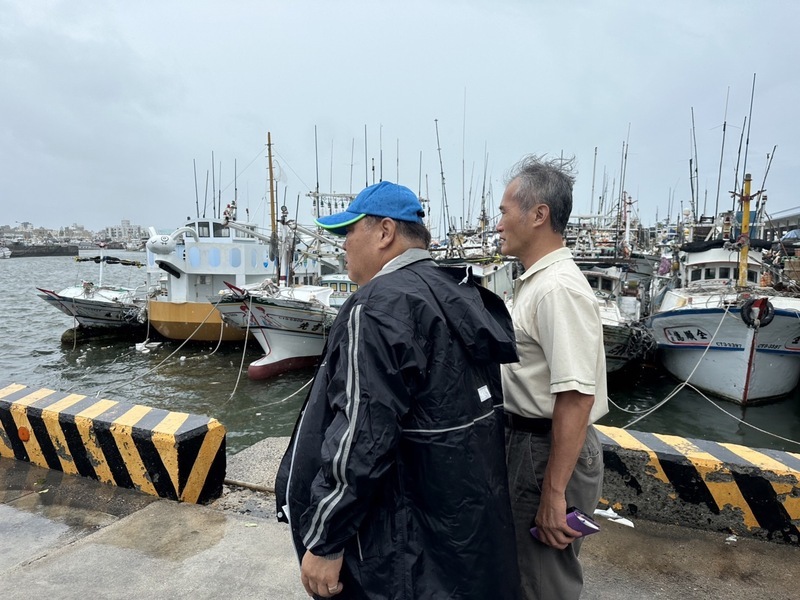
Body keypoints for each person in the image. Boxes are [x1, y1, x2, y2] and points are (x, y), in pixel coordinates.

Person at [275, 180, 521, 600]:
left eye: (348, 232)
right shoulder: (458, 293)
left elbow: (361, 435)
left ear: (385, 232)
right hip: (461, 538)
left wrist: (325, 538)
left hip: (397, 544)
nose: (344, 245)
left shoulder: (375, 307)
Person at [496, 155, 608, 600]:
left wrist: (553, 493)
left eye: (504, 211)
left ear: (538, 214)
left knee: (542, 582)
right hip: (529, 444)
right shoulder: (536, 282)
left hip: (545, 449)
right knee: (524, 573)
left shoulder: (557, 288)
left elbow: (577, 397)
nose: (498, 223)